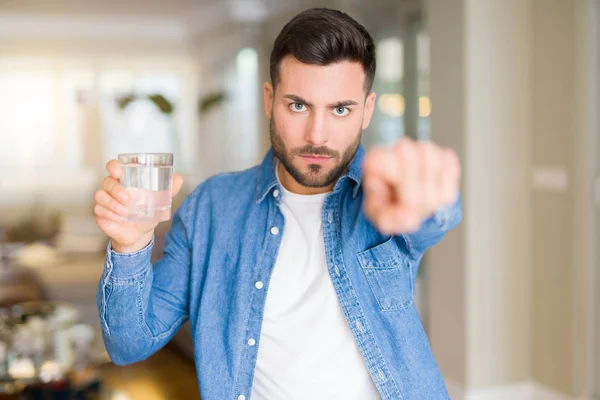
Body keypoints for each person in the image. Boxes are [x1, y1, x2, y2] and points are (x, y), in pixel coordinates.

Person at [94, 7, 461, 400]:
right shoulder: (211, 208)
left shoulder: (381, 194)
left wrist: (430, 193)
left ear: (367, 110)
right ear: (270, 100)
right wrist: (130, 247)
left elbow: (432, 212)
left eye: (340, 109)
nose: (317, 135)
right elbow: (128, 344)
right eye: (298, 105)